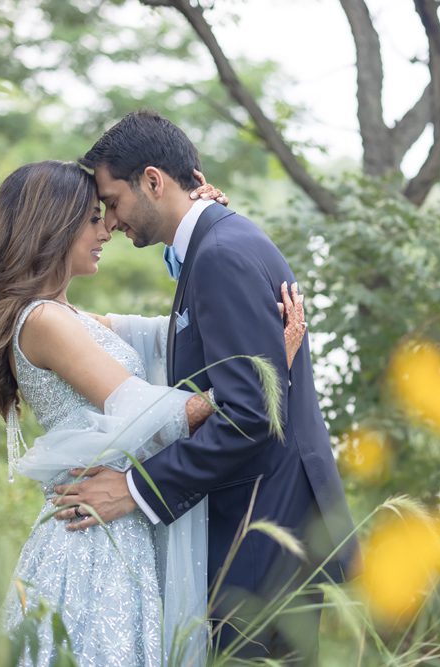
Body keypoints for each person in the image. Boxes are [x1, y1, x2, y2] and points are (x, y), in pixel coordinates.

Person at [0, 159, 306, 666]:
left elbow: (179, 335)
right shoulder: (45, 321)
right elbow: (152, 413)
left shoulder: (72, 317)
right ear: (51, 225)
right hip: (92, 535)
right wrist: (271, 364)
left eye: (107, 213)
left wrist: (194, 229)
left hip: (114, 520)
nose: (108, 230)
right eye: (94, 219)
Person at [52, 111, 358, 662]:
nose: (112, 222)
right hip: (264, 515)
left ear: (152, 180)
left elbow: (253, 415)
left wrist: (134, 489)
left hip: (262, 526)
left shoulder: (221, 255)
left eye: (113, 202)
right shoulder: (213, 245)